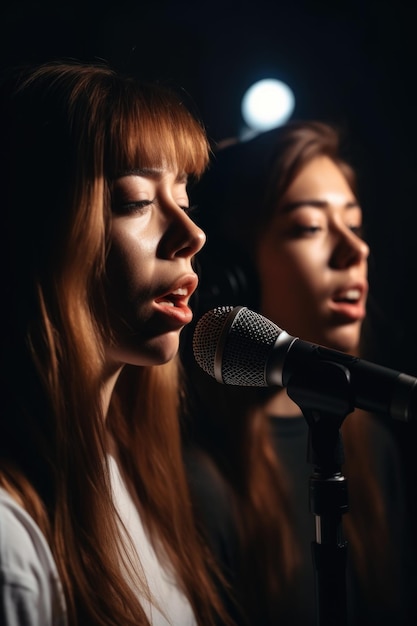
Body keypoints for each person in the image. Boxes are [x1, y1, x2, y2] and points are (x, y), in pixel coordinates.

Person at [0, 60, 239, 626]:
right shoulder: (11, 545)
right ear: (40, 235)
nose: (192, 234)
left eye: (184, 197)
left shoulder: (134, 478)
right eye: (135, 201)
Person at [180, 121, 416, 626]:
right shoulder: (198, 481)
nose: (356, 249)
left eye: (355, 222)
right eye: (310, 227)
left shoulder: (373, 449)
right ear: (232, 274)